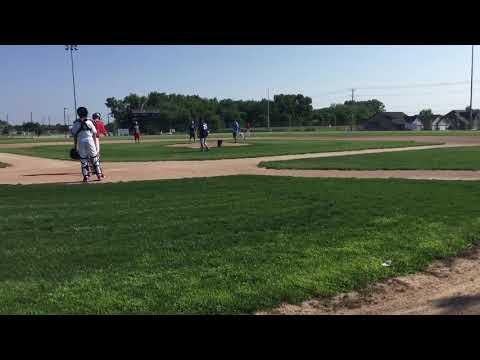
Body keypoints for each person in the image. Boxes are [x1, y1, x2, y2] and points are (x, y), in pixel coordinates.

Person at [71, 107, 104, 183]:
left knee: (83, 160)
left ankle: (86, 176)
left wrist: (75, 146)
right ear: (86, 113)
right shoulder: (90, 122)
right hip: (90, 140)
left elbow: (74, 135)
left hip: (81, 141)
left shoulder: (76, 123)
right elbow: (94, 134)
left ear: (78, 114)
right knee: (94, 158)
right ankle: (99, 175)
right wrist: (95, 145)